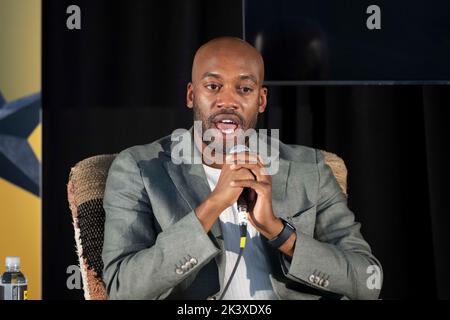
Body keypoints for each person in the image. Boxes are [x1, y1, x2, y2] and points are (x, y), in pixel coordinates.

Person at [101, 37, 382, 300]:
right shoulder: (138, 168)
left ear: (260, 100)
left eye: (244, 89)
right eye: (213, 86)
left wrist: (278, 232)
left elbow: (368, 280)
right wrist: (212, 206)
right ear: (191, 95)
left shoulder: (310, 168)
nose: (228, 101)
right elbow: (122, 288)